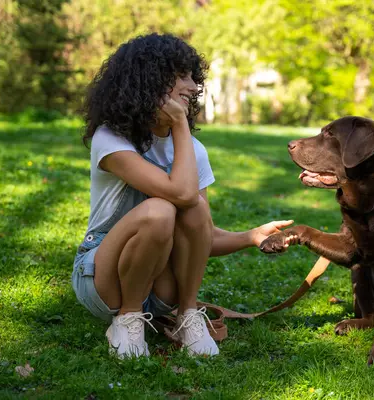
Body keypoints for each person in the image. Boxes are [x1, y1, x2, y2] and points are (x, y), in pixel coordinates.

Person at [72, 33, 293, 358]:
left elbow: (198, 232)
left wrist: (249, 237)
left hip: (159, 283)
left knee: (195, 211)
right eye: (182, 76)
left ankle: (188, 315)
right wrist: (178, 123)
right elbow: (182, 193)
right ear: (150, 80)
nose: (193, 87)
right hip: (103, 278)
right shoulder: (112, 138)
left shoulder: (193, 151)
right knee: (161, 209)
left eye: (194, 77)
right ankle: (128, 318)